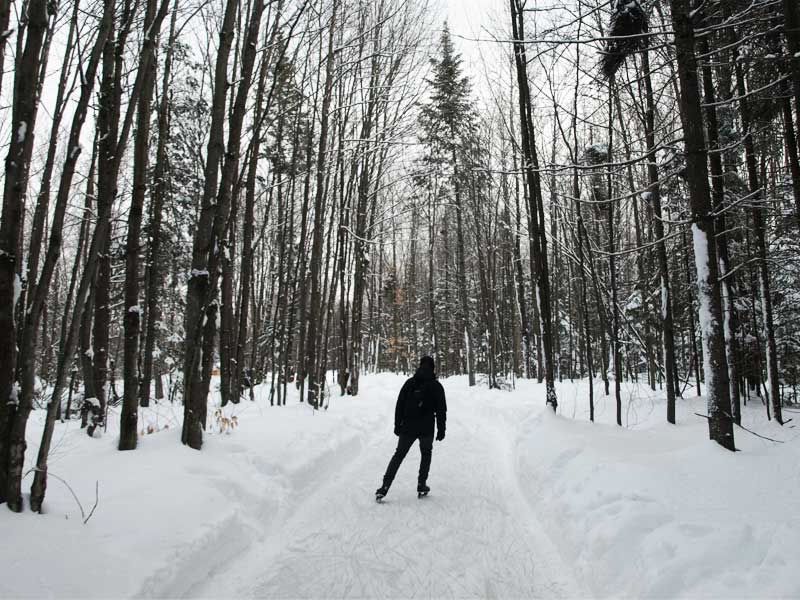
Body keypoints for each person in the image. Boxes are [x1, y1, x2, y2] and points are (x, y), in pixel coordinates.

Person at [376, 355, 446, 501]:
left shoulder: (410, 383)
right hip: (426, 427)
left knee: (399, 455)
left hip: (408, 426)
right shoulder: (436, 386)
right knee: (426, 454)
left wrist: (397, 425)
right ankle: (422, 484)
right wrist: (441, 429)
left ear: (420, 366)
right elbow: (441, 410)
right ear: (433, 368)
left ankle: (384, 487)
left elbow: (399, 404)